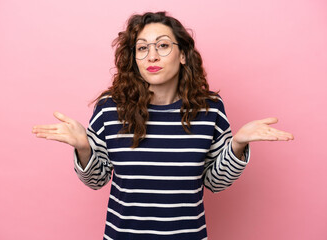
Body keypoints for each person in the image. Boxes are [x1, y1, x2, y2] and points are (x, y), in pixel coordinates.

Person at [32, 11, 294, 240]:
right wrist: (84, 149)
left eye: (163, 46)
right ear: (134, 58)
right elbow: (96, 180)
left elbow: (215, 182)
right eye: (142, 48)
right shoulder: (110, 108)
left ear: (182, 55)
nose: (152, 56)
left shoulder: (209, 108)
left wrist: (237, 145)